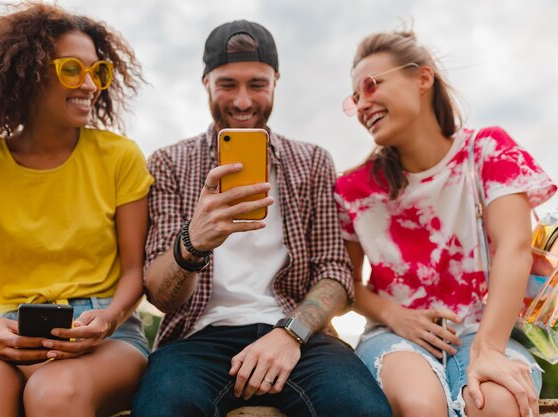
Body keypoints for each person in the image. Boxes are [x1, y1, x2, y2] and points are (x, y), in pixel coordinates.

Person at [131, 20, 391, 417]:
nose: (241, 101)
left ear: (275, 82)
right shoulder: (170, 162)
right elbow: (160, 295)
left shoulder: (313, 161)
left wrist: (291, 333)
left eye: (256, 84)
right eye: (227, 84)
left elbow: (334, 272)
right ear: (206, 83)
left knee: (363, 410)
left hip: (299, 335)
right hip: (196, 338)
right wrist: (193, 241)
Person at [0, 3, 153, 416]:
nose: (90, 84)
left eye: (97, 71)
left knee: (55, 394)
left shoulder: (119, 157)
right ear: (29, 73)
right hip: (13, 332)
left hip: (106, 334)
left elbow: (133, 272)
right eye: (73, 69)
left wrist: (107, 318)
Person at [334, 29, 557, 417]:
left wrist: (487, 349)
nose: (364, 103)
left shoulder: (487, 150)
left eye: (371, 86)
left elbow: (514, 248)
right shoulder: (352, 190)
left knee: (498, 404)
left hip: (488, 329)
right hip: (394, 335)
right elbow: (347, 284)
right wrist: (396, 316)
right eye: (355, 98)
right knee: (422, 404)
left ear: (422, 78)